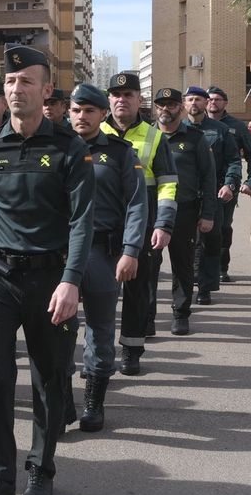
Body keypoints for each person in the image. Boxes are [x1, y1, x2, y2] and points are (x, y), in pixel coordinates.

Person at [0, 45, 92, 495]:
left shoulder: (69, 150)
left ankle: (41, 467)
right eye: (10, 82)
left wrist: (71, 282)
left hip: (52, 281)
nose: (16, 89)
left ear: (46, 90)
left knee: (48, 380)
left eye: (26, 82)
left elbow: (81, 223)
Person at [66, 84, 154, 432]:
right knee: (57, 330)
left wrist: (131, 250)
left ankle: (93, 402)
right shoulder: (56, 147)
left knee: (100, 330)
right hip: (60, 255)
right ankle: (60, 399)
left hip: (102, 253)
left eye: (90, 110)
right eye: (76, 110)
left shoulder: (119, 153)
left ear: (103, 115)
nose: (82, 116)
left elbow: (137, 203)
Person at [101, 71, 176, 374]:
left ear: (139, 100)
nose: (122, 100)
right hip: (101, 225)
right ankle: (100, 353)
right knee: (98, 294)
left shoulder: (154, 136)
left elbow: (168, 183)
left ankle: (131, 350)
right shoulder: (91, 130)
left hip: (141, 226)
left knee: (136, 292)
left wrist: (164, 224)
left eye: (128, 95)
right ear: (109, 99)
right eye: (116, 95)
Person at [150, 88, 216, 341]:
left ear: (181, 107)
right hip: (152, 211)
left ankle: (180, 313)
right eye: (161, 105)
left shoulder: (195, 138)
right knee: (149, 267)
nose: (165, 109)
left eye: (171, 104)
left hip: (184, 211)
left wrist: (207, 213)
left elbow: (208, 178)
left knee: (182, 265)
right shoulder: (148, 135)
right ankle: (147, 317)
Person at [186, 87, 240, 310]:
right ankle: (187, 284)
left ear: (206, 102)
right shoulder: (176, 129)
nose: (194, 103)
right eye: (189, 99)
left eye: (198, 99)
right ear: (183, 104)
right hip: (184, 194)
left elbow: (234, 161)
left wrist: (229, 184)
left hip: (213, 194)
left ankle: (205, 288)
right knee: (187, 243)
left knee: (211, 241)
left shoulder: (220, 130)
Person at [206, 87, 251, 283]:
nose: (213, 102)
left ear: (225, 103)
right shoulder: (193, 124)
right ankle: (198, 269)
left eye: (218, 99)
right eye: (209, 99)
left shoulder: (237, 127)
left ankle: (221, 267)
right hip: (198, 187)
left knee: (222, 227)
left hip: (226, 186)